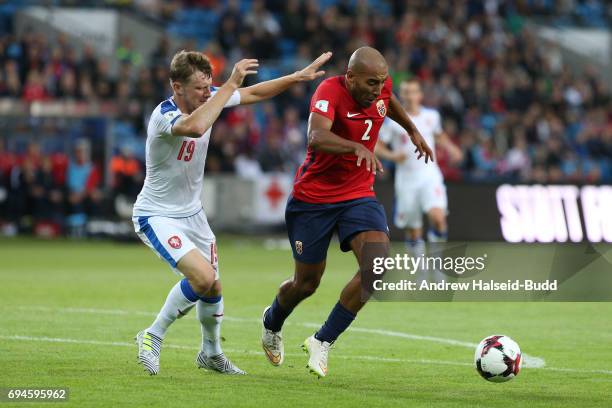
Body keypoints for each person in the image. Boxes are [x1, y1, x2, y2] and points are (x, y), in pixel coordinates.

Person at [132, 49, 331, 376]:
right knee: (203, 278)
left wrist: (296, 77)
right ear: (176, 86)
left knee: (214, 288)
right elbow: (195, 127)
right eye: (198, 88)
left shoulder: (210, 98)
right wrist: (226, 88)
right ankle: (152, 334)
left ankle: (210, 354)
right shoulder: (163, 116)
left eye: (208, 86)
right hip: (157, 214)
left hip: (192, 214)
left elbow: (254, 92)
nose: (205, 93)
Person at [261, 47, 433, 378]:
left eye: (381, 82)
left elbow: (389, 101)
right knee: (306, 283)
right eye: (370, 83)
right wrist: (354, 146)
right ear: (351, 77)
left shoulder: (379, 87)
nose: (377, 89)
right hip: (313, 199)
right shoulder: (329, 91)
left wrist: (411, 129)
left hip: (357, 194)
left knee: (377, 267)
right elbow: (316, 135)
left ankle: (322, 340)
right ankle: (272, 322)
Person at [376, 78, 463, 256]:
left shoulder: (432, 117)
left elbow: (439, 136)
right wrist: (392, 156)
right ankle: (421, 274)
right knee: (413, 230)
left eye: (413, 92)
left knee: (438, 218)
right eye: (405, 92)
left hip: (429, 175)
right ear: (401, 96)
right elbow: (377, 145)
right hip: (406, 180)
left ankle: (438, 265)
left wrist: (452, 148)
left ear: (420, 95)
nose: (409, 96)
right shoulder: (393, 122)